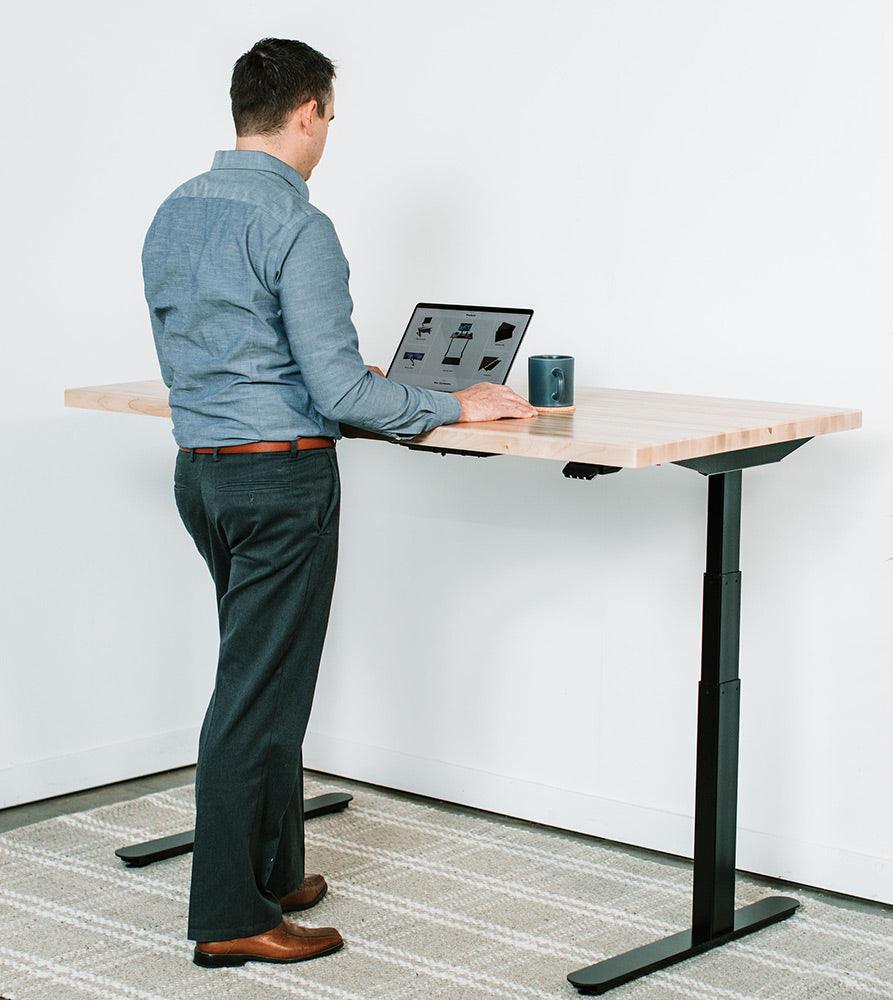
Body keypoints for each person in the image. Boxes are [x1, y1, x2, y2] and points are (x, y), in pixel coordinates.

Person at [140, 36, 536, 969]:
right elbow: (343, 397)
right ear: (310, 112)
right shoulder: (295, 223)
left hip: (203, 472)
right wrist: (454, 403)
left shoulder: (173, 213)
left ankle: (273, 869)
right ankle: (232, 913)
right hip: (279, 482)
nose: (328, 135)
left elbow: (225, 353)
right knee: (258, 692)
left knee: (258, 674)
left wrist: (328, 377)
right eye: (331, 119)